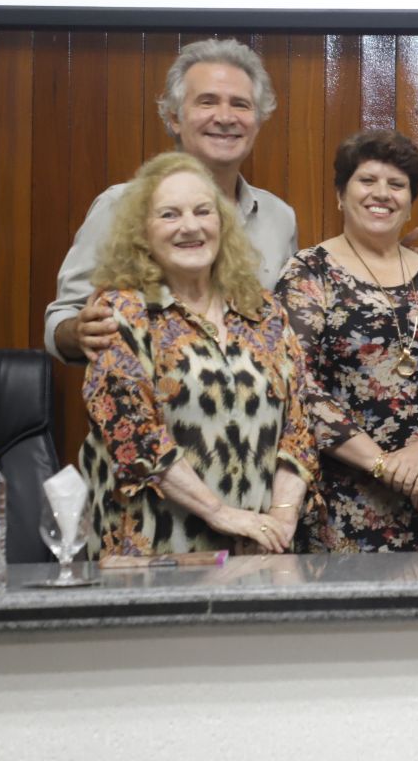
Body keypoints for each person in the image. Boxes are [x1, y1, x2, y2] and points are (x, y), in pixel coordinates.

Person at [78, 152, 317, 557]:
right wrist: (221, 514)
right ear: (141, 232)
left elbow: (299, 426)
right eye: (169, 215)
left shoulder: (263, 311)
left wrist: (282, 517)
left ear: (222, 224)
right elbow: (136, 438)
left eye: (203, 211)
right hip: (156, 556)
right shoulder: (120, 314)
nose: (190, 226)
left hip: (259, 552)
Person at [277, 129, 418, 551]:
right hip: (344, 504)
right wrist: (382, 464)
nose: (382, 193)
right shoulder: (308, 272)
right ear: (341, 194)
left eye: (397, 184)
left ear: (410, 202)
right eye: (367, 180)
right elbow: (294, 381)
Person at [46, 38, 298, 364]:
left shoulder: (280, 217)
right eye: (207, 102)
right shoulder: (121, 205)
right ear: (174, 117)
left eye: (240, 104)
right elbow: (63, 318)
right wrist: (77, 331)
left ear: (258, 120)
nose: (225, 117)